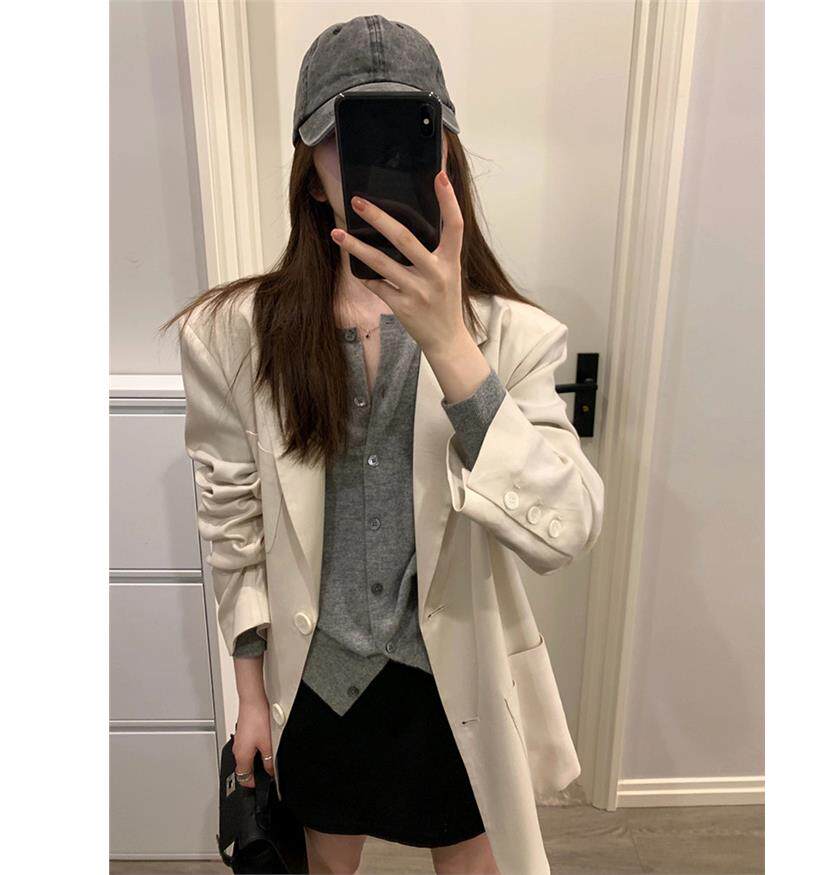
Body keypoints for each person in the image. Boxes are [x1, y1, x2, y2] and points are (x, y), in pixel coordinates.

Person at [162, 14, 604, 875]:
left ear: (445, 161)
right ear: (311, 173)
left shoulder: (510, 336)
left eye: (407, 130)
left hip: (458, 685)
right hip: (316, 683)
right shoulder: (231, 336)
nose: (371, 163)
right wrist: (247, 697)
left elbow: (566, 525)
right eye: (344, 134)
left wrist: (450, 345)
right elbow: (232, 528)